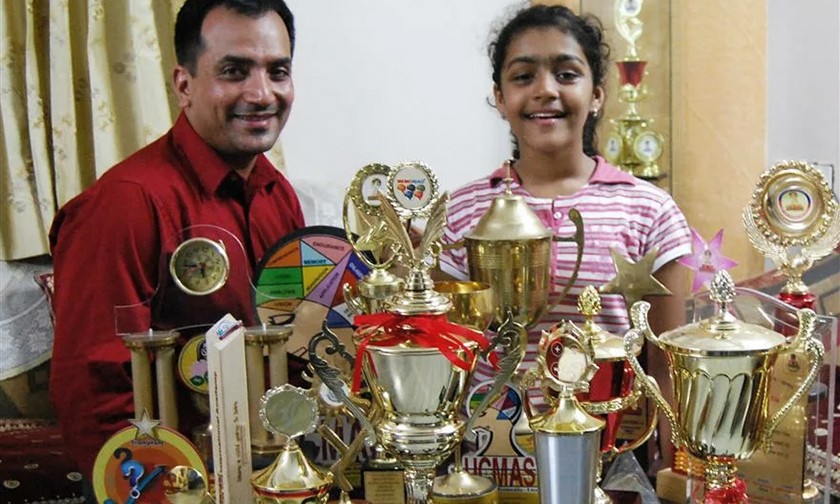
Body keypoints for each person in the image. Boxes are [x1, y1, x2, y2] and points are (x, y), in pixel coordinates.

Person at [49, 0, 304, 479]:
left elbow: (295, 343)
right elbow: (93, 393)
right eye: (234, 71)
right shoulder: (126, 203)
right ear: (183, 85)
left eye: (278, 71)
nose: (262, 93)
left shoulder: (277, 194)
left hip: (274, 470)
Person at [439, 4, 690, 469]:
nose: (545, 90)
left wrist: (674, 467)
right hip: (494, 459)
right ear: (499, 97)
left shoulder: (650, 210)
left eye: (566, 74)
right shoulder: (462, 211)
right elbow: (450, 355)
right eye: (523, 76)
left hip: (611, 459)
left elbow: (667, 369)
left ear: (597, 94)